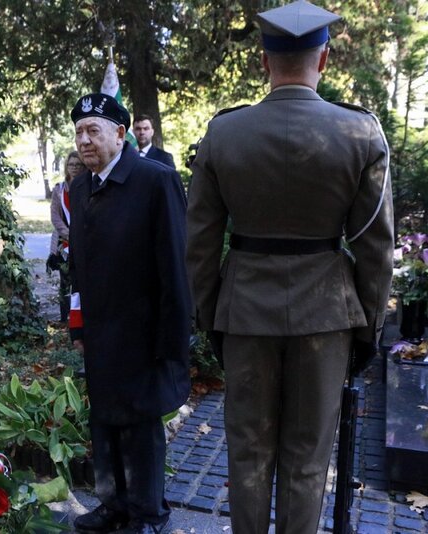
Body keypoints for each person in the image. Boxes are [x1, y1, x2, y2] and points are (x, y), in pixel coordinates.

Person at [185, 2, 394, 532]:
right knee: (306, 460)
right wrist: (369, 326)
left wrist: (211, 318)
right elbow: (375, 245)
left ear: (264, 63)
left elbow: (201, 243)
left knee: (248, 455)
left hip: (245, 312)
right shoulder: (361, 134)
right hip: (325, 315)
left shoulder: (223, 134)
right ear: (323, 59)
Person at [67, 93, 191, 534]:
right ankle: (114, 504)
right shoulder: (80, 186)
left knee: (139, 428)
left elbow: (176, 268)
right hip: (101, 331)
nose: (84, 140)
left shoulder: (156, 181)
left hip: (143, 332)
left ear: (120, 135)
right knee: (104, 420)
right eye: (79, 131)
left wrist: (174, 341)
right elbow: (76, 266)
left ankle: (148, 514)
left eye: (93, 130)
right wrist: (76, 322)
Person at [48, 150, 84, 322]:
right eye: (71, 165)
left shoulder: (88, 186)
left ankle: (81, 316)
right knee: (65, 281)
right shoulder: (59, 190)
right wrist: (68, 234)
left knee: (82, 279)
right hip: (65, 242)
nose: (74, 168)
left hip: (84, 240)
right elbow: (55, 216)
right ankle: (64, 318)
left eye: (78, 165)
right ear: (66, 167)